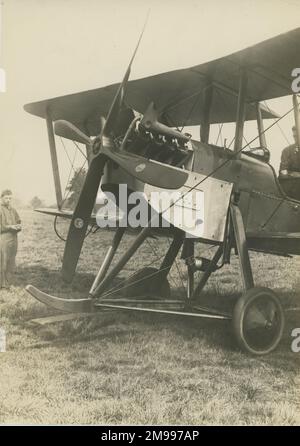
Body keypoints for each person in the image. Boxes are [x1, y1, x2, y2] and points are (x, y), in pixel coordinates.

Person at [0, 190, 21, 289]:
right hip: (3, 238)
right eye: (6, 198)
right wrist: (9, 227)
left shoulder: (13, 210)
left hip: (14, 237)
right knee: (3, 260)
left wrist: (18, 226)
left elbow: (19, 221)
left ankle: (9, 282)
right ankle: (2, 284)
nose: (8, 200)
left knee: (11, 260)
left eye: (10, 198)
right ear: (2, 198)